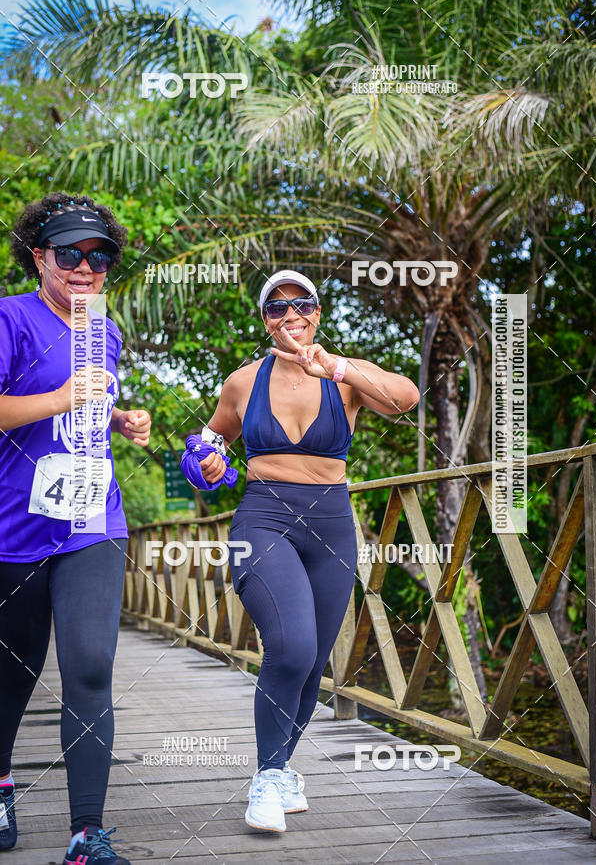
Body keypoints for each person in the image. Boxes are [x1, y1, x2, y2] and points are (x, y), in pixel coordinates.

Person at [181, 269, 420, 832]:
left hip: (333, 527)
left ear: (317, 312)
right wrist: (206, 464)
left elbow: (405, 399)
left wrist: (333, 366)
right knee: (289, 649)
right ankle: (266, 779)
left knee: (312, 662)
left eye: (302, 304)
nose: (291, 315)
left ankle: (283, 769)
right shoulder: (243, 381)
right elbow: (203, 450)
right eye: (277, 307)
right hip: (263, 519)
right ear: (264, 319)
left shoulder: (347, 378)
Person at [0, 194, 151, 865]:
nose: (86, 267)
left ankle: (86, 834)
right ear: (40, 256)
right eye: (71, 254)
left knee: (90, 664)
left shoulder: (104, 329)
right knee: (13, 670)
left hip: (92, 517)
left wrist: (123, 420)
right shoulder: (10, 317)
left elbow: (94, 401)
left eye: (100, 255)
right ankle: (1, 782)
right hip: (16, 525)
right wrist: (63, 398)